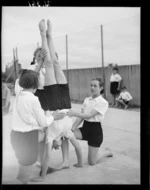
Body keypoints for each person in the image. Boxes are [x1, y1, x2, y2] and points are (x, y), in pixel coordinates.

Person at [30, 19, 82, 182]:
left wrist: (42, 177)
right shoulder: (67, 133)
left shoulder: (50, 136)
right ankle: (49, 35)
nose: (56, 148)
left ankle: (44, 35)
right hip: (64, 101)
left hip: (52, 101)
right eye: (57, 148)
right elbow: (78, 147)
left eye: (55, 148)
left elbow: (47, 157)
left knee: (51, 64)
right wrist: (80, 163)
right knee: (56, 63)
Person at [10, 70, 66, 184]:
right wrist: (54, 117)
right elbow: (44, 123)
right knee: (22, 179)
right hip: (27, 138)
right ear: (36, 84)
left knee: (22, 169)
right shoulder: (33, 99)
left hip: (15, 136)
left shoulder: (18, 94)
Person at [67, 78, 113, 166]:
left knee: (92, 162)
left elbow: (90, 115)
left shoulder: (103, 102)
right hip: (85, 128)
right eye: (91, 85)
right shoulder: (87, 100)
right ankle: (65, 161)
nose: (92, 88)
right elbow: (81, 116)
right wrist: (72, 129)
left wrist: (74, 113)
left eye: (95, 86)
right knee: (67, 134)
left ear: (101, 88)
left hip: (95, 132)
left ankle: (106, 152)